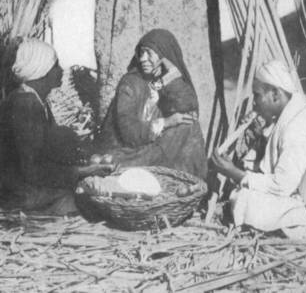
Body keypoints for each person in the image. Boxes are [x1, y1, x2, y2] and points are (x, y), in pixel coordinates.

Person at [211, 59, 306, 242]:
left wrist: (234, 173)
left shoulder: (298, 128)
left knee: (245, 198)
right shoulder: (295, 115)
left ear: (275, 95)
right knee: (246, 194)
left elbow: (280, 187)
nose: (254, 103)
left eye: (257, 96)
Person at [0, 38, 116, 215]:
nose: (61, 70)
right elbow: (32, 170)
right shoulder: (25, 104)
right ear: (42, 71)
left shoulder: (36, 100)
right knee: (84, 203)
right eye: (56, 65)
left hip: (23, 186)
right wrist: (81, 171)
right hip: (18, 194)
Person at [95, 29, 207, 179]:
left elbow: (189, 107)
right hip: (128, 152)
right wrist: (166, 122)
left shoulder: (164, 81)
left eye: (149, 53)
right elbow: (129, 133)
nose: (143, 59)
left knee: (190, 126)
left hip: (153, 149)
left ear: (163, 55)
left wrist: (171, 76)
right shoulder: (130, 84)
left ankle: (187, 184)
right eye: (141, 53)